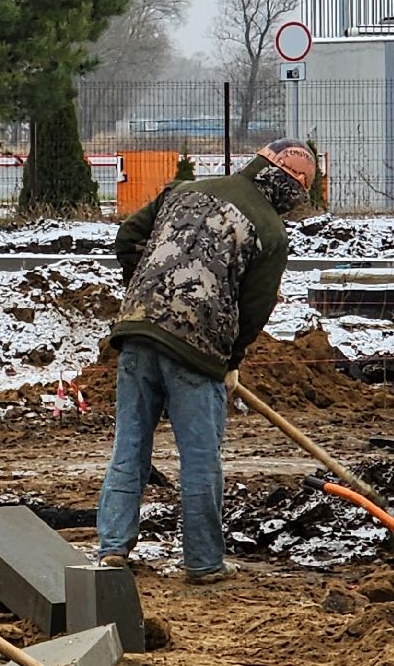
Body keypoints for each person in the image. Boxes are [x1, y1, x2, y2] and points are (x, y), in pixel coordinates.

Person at [94, 139, 315, 585]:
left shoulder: (183, 190)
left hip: (137, 331)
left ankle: (113, 549)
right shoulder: (269, 230)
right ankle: (202, 561)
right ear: (292, 188)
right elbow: (255, 308)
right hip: (198, 350)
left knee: (130, 445)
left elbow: (127, 239)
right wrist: (232, 360)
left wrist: (149, 294)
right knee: (200, 458)